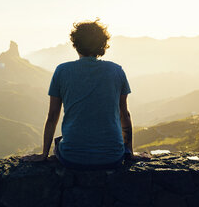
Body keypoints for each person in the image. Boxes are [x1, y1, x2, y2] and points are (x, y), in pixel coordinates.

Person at [22, 19, 141, 169]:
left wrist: (44, 154)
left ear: (75, 44)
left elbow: (52, 116)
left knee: (60, 142)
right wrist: (129, 152)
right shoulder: (116, 71)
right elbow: (125, 115)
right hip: (112, 157)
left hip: (72, 158)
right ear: (102, 45)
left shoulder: (62, 71)